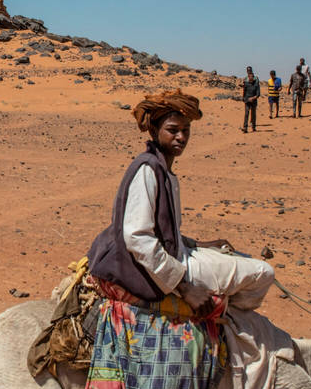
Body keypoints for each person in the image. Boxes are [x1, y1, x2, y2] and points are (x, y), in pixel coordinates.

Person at [87, 89, 275, 313]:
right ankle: (229, 325)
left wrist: (196, 244)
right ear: (155, 130)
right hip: (159, 269)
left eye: (186, 130)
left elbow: (161, 230)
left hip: (178, 254)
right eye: (173, 130)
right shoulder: (148, 170)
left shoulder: (162, 168)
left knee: (239, 258)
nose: (181, 137)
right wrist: (184, 288)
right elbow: (137, 237)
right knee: (263, 273)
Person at [241, 66, 260, 133]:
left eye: (250, 70)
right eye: (248, 70)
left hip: (253, 100)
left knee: (253, 114)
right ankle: (245, 127)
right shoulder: (245, 80)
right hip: (247, 100)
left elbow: (258, 94)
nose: (250, 78)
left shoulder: (256, 80)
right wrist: (243, 98)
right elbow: (244, 90)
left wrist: (253, 98)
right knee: (246, 113)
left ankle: (253, 126)